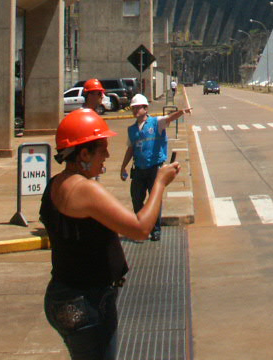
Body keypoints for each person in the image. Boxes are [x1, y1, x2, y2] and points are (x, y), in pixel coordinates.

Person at [41, 109, 179, 360]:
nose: (107, 154)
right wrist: (159, 183)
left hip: (62, 293)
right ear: (83, 153)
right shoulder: (85, 189)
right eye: (102, 148)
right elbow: (140, 228)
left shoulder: (56, 184)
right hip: (86, 301)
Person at [118, 93, 189, 241]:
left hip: (154, 168)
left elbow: (170, 118)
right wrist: (123, 166)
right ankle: (141, 226)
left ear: (146, 108)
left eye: (139, 107)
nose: (136, 110)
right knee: (137, 199)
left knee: (154, 199)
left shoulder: (157, 123)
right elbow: (130, 149)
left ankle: (155, 229)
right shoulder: (132, 130)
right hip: (139, 169)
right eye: (134, 108)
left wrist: (181, 112)